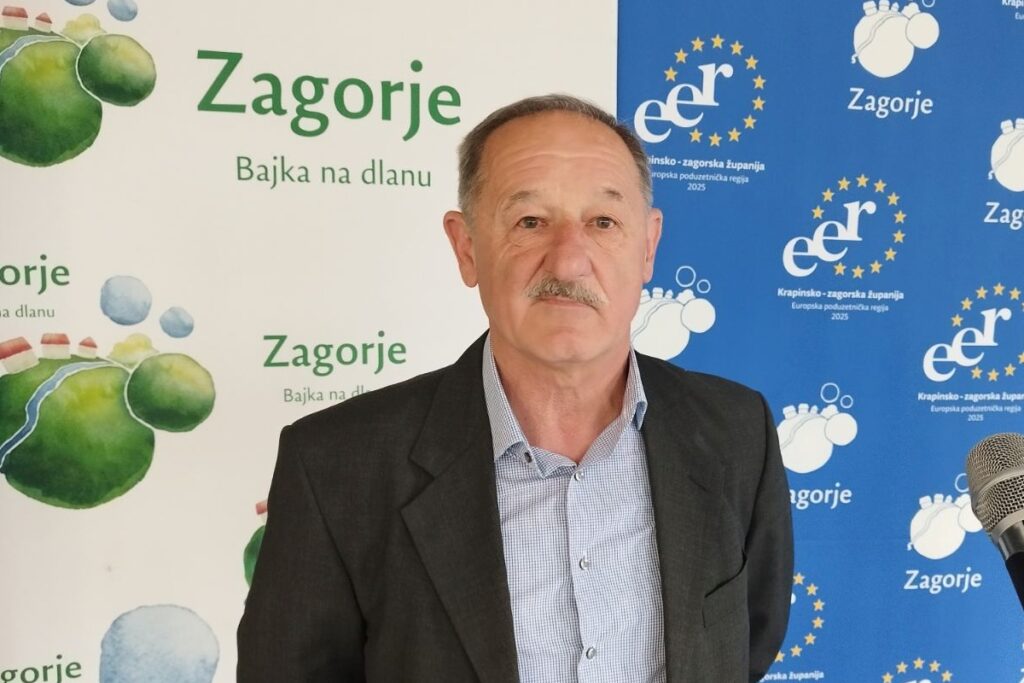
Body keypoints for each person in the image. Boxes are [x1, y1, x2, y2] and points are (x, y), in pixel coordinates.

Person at [237, 94, 793, 683]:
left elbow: (747, 644)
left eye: (603, 222)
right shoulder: (335, 465)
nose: (569, 262)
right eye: (530, 222)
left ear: (648, 246)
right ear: (467, 247)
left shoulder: (736, 432)